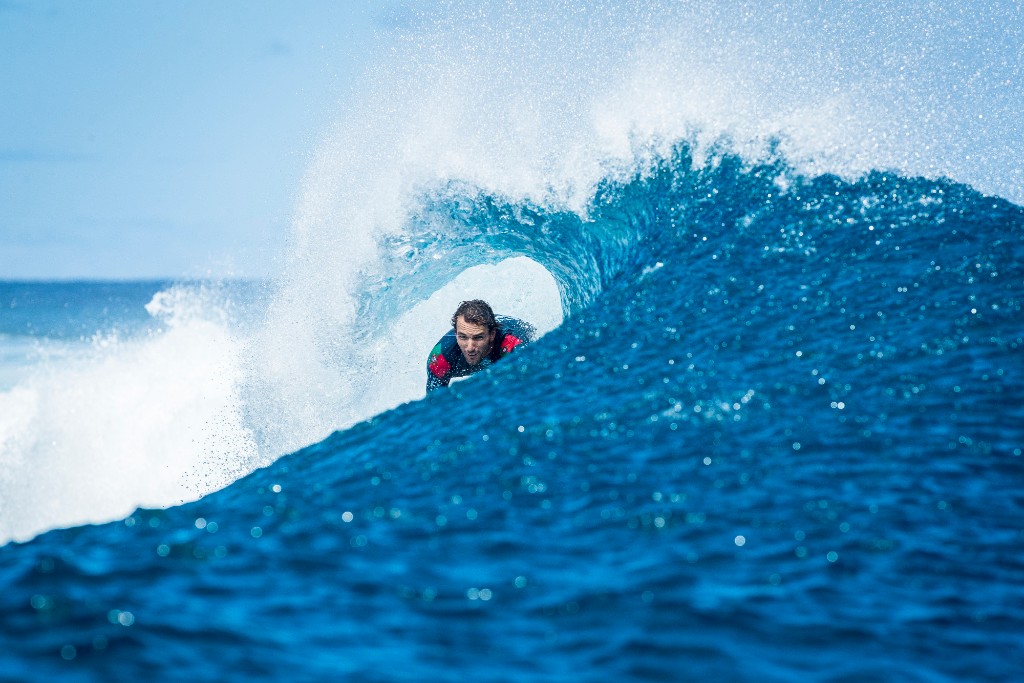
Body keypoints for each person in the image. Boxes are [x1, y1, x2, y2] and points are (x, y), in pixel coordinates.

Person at [426, 299, 536, 393]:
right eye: (463, 337)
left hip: (513, 329)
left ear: (492, 335)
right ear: (456, 334)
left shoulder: (512, 343)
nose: (470, 348)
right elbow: (435, 405)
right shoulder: (442, 358)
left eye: (478, 337)